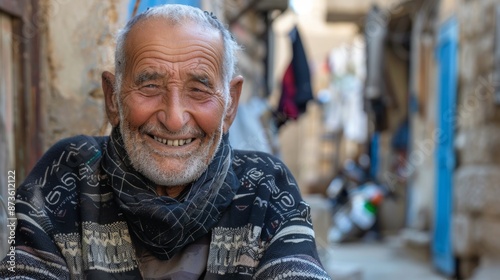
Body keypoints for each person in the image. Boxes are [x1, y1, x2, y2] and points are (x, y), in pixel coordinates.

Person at [0, 4, 330, 279]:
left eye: (199, 90)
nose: (174, 119)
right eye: (149, 86)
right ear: (112, 99)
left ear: (230, 104)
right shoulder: (66, 175)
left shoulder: (266, 186)